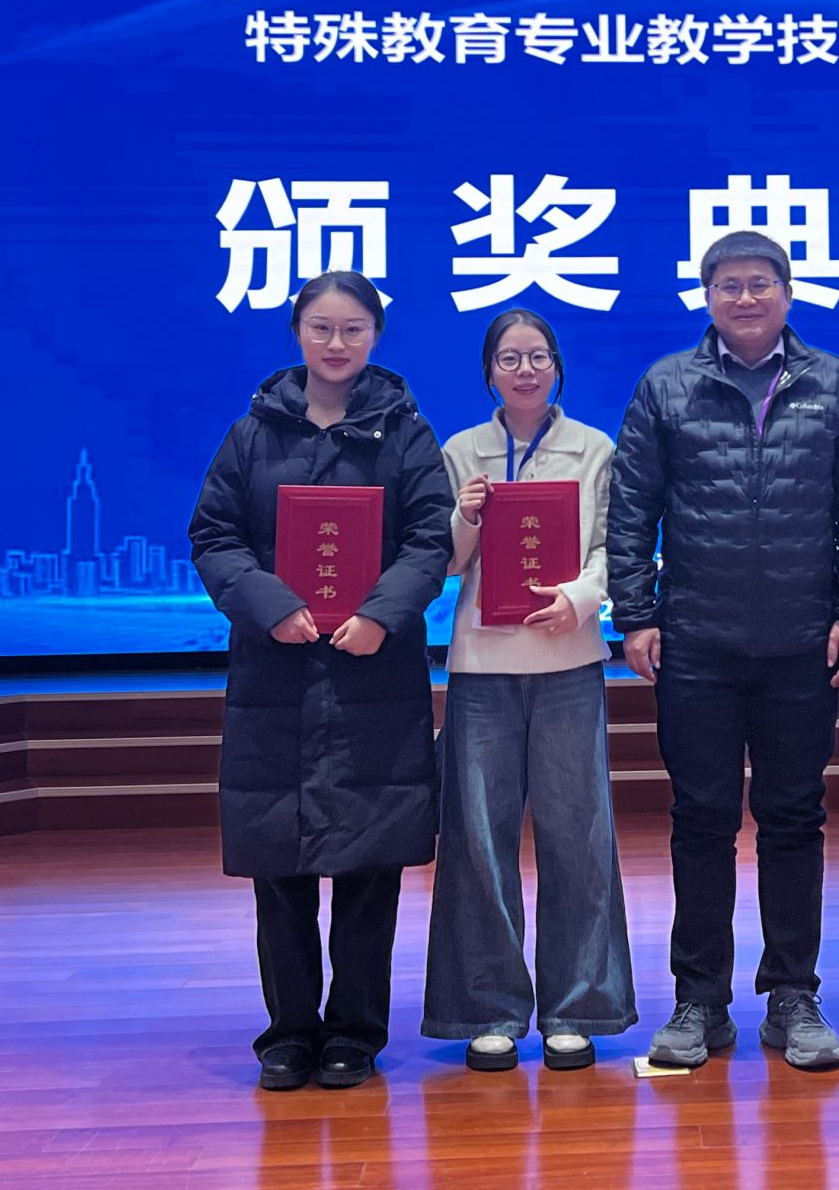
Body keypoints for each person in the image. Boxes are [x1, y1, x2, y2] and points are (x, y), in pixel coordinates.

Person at [607, 229, 839, 1073]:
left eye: (761, 283)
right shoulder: (667, 384)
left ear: (787, 293)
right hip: (697, 644)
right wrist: (637, 616)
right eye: (729, 285)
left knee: (795, 820)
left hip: (803, 644)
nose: (746, 297)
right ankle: (699, 1000)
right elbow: (631, 507)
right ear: (708, 298)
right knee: (701, 822)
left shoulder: (834, 384)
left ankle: (793, 994)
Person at [188, 269, 453, 1091]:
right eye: (322, 328)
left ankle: (355, 1033)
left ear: (375, 336)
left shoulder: (406, 433)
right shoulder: (252, 434)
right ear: (297, 333)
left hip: (374, 670)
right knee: (281, 866)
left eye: (353, 330)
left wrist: (380, 614)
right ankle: (289, 1032)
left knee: (371, 866)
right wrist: (269, 606)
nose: (337, 344)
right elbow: (214, 536)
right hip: (277, 669)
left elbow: (431, 539)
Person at [421, 308, 636, 1072]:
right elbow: (443, 562)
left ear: (557, 367)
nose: (525, 370)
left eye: (538, 356)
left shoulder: (595, 449)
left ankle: (579, 1006)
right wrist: (464, 517)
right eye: (509, 359)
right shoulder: (461, 452)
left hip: (569, 661)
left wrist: (580, 599)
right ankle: (488, 1008)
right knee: (478, 840)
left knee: (579, 836)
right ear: (488, 373)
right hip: (481, 667)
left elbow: (617, 548)